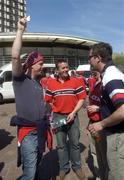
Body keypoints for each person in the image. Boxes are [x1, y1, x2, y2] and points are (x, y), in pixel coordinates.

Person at [11, 17, 46, 180]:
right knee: (30, 173)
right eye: (40, 63)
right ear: (32, 64)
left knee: (35, 165)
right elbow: (15, 57)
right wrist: (20, 30)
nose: (43, 66)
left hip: (40, 131)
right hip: (28, 133)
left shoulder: (38, 84)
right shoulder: (20, 79)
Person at [45, 59, 87, 180]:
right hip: (58, 117)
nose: (65, 70)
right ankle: (64, 168)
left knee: (75, 144)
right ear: (57, 70)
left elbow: (82, 99)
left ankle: (77, 167)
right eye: (62, 68)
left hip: (73, 116)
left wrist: (74, 112)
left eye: (66, 67)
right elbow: (47, 100)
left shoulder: (76, 81)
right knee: (61, 145)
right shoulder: (51, 83)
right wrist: (51, 113)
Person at [88, 42, 124, 180]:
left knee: (117, 173)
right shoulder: (109, 74)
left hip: (117, 135)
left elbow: (122, 110)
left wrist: (101, 124)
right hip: (115, 133)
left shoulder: (111, 76)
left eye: (90, 57)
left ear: (98, 57)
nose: (89, 61)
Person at [87, 71, 108, 180]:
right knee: (94, 151)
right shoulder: (95, 84)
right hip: (92, 124)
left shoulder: (107, 85)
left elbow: (115, 108)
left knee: (103, 154)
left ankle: (106, 176)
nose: (93, 74)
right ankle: (99, 175)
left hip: (101, 126)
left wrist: (98, 108)